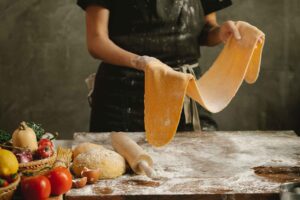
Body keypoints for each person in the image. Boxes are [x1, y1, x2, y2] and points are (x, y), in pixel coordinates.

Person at [77, 0, 241, 132]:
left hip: (187, 92)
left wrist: (220, 32)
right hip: (124, 94)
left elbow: (205, 30)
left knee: (196, 165)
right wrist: (139, 61)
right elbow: (97, 41)